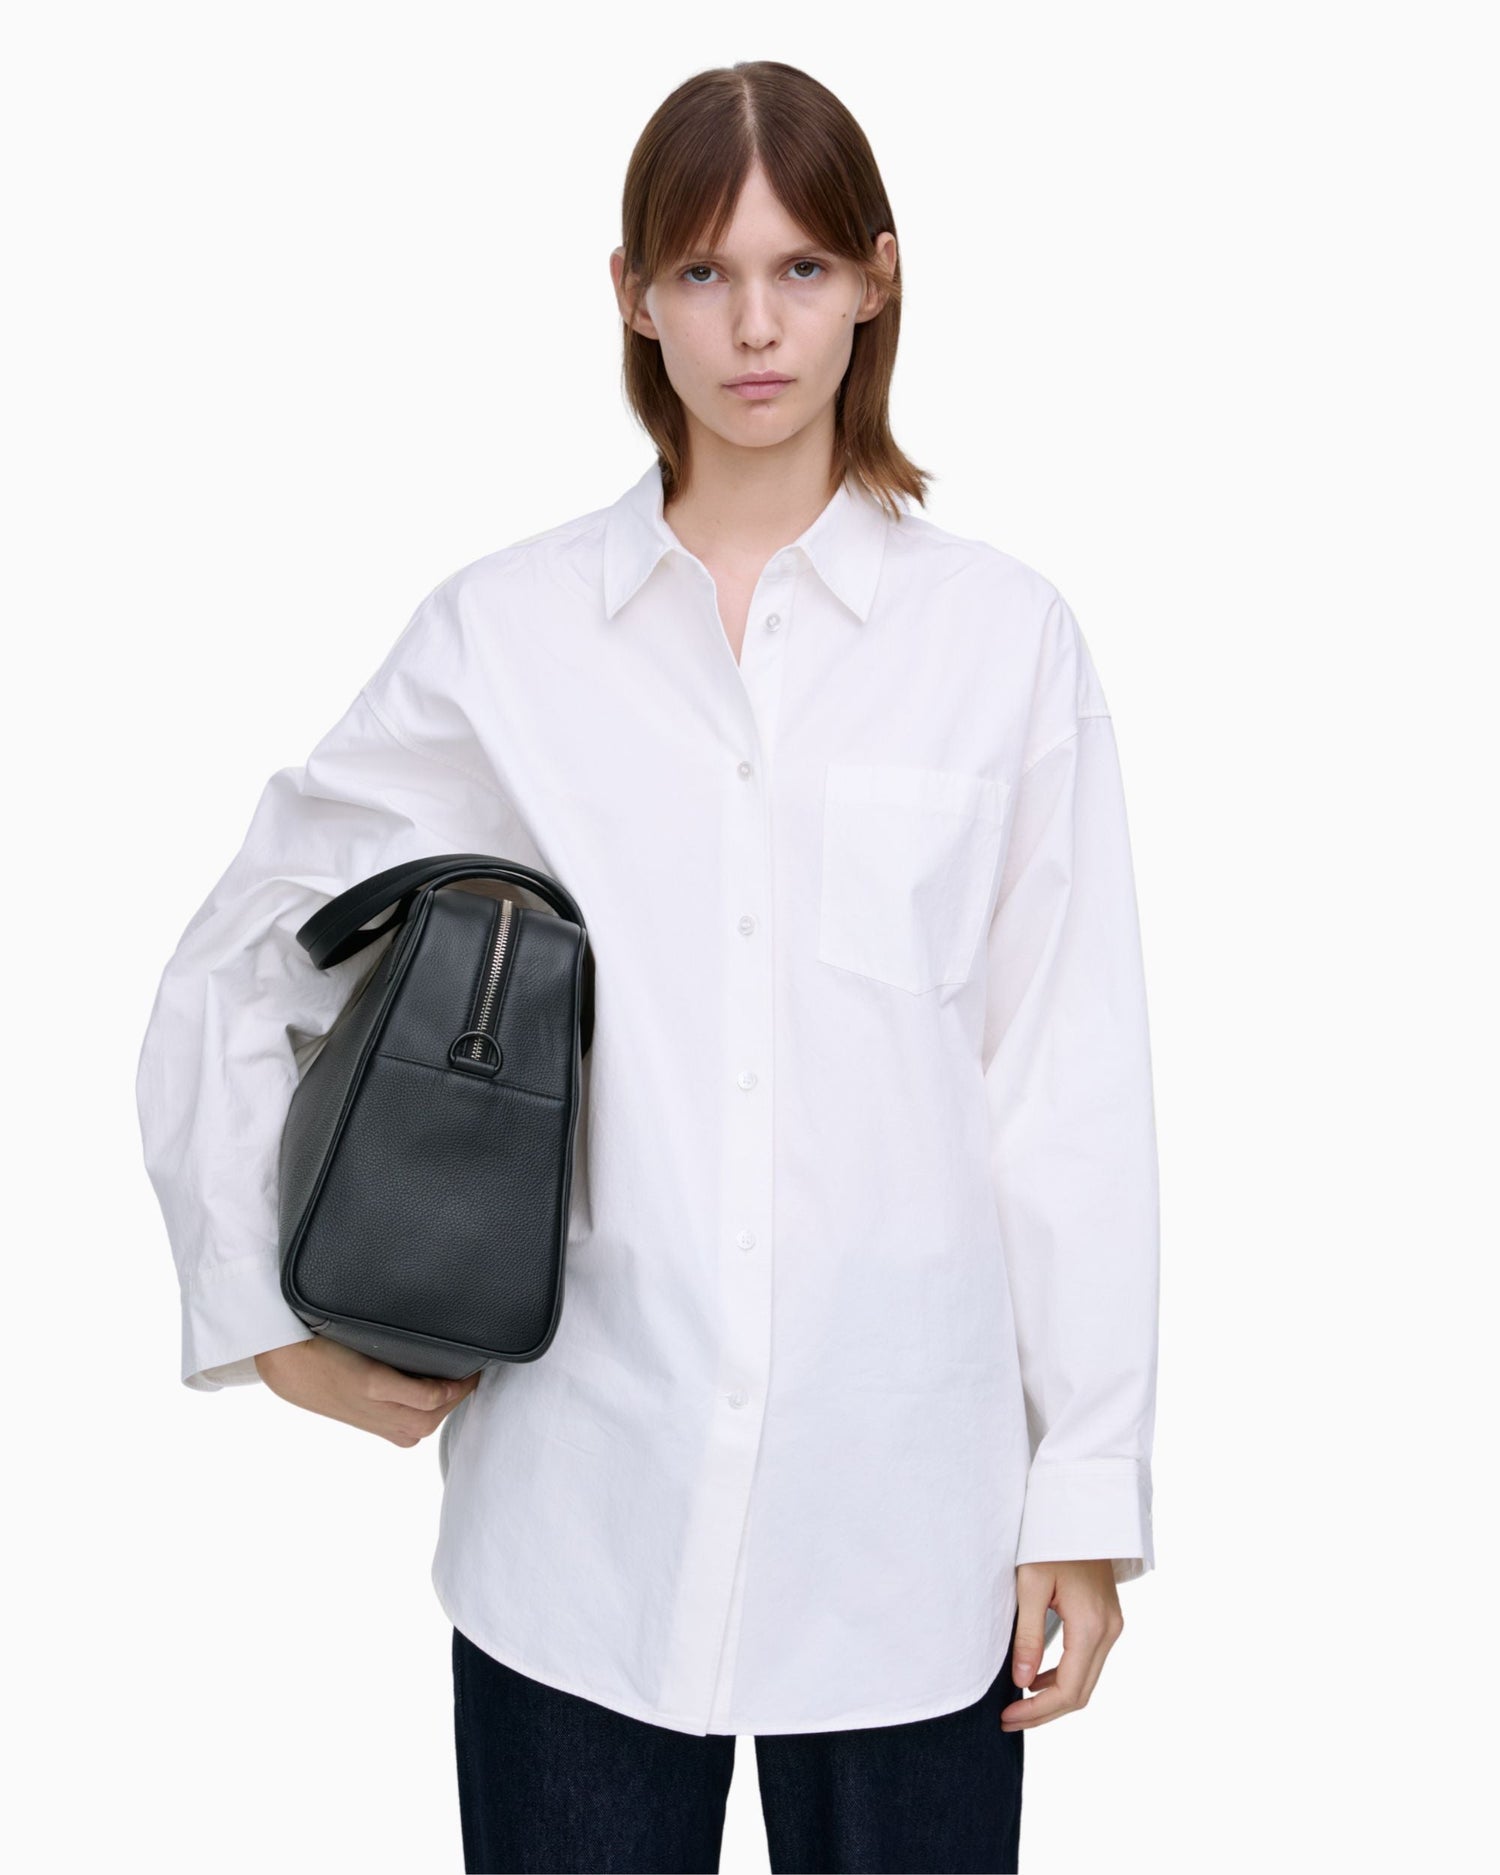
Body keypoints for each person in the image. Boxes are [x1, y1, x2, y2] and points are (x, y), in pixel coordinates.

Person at [135, 59, 1159, 1875]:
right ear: (632, 294)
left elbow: (1062, 1085)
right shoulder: (505, 638)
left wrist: (1083, 1485)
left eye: (801, 268)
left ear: (878, 278)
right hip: (581, 1527)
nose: (755, 326)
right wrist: (264, 1320)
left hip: (910, 1528)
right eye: (703, 272)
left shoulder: (1001, 643)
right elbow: (249, 943)